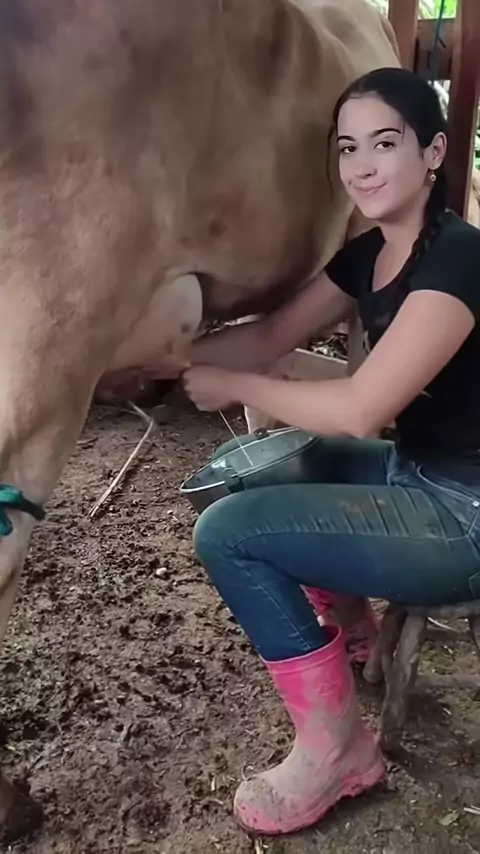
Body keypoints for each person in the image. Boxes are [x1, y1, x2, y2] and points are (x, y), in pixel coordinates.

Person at [183, 67, 480, 837]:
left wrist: (231, 384)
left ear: (433, 152)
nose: (362, 167)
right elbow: (268, 337)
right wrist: (159, 359)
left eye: (384, 143)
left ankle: (338, 747)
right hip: (416, 477)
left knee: (227, 532)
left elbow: (361, 409)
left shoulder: (459, 259)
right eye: (348, 148)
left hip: (465, 518)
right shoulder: (371, 253)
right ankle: (349, 628)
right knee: (263, 470)